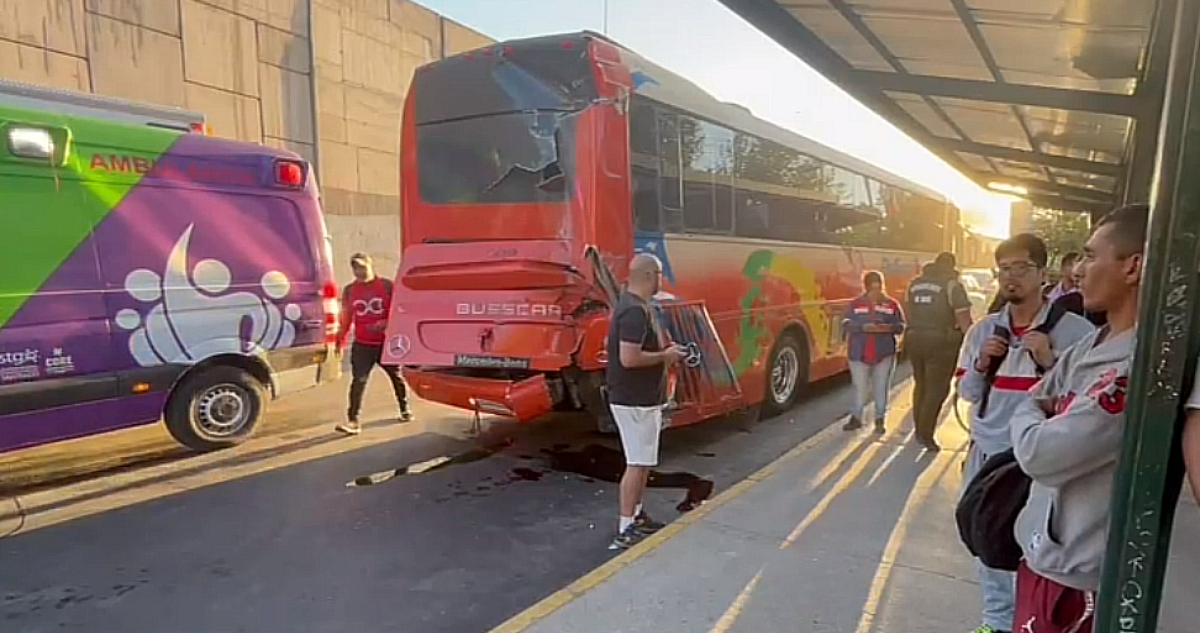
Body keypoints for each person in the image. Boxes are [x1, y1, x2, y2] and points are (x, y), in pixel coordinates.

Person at [1009, 203, 1148, 633]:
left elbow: (1040, 453)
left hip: (1076, 585)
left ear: (1133, 267)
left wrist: (1035, 416)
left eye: (1090, 256)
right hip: (1043, 559)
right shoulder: (1094, 344)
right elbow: (1034, 399)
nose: (1077, 271)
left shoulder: (1135, 367)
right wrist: (1035, 410)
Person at [954, 234, 1094, 633]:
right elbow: (967, 392)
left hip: (1036, 459)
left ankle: (1024, 623)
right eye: (1004, 270)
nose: (1011, 277)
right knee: (988, 543)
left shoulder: (1075, 332)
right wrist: (982, 364)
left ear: (1042, 274)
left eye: (1021, 268)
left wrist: (1049, 361)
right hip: (986, 456)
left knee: (1032, 549)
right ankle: (994, 624)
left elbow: (1082, 402)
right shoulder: (984, 332)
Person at [605, 253, 688, 550]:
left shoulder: (636, 306)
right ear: (650, 275)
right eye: (661, 274)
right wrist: (665, 356)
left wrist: (666, 351)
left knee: (643, 463)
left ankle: (637, 515)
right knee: (637, 463)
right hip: (633, 400)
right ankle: (625, 526)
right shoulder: (634, 312)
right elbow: (629, 358)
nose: (662, 280)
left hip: (641, 400)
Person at [335, 253, 412, 435]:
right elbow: (346, 318)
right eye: (355, 268)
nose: (359, 271)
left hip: (385, 344)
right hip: (362, 344)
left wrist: (387, 322)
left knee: (396, 376)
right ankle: (353, 421)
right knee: (358, 381)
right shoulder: (349, 291)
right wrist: (340, 340)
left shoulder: (386, 286)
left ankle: (404, 408)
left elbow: (400, 310)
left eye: (362, 267)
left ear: (371, 265)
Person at [904, 252, 973, 451]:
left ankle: (919, 429)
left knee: (921, 385)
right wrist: (972, 342)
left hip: (915, 339)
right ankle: (926, 434)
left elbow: (910, 311)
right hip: (942, 343)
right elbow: (964, 319)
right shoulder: (952, 285)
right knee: (937, 389)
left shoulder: (915, 284)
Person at [842, 271, 905, 434]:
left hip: (883, 352)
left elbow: (901, 326)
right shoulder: (855, 304)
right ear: (866, 287)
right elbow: (845, 323)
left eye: (878, 287)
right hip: (859, 352)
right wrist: (862, 327)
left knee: (881, 387)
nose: (876, 291)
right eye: (872, 288)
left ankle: (879, 419)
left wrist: (887, 327)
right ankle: (856, 417)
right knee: (860, 387)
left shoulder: (891, 305)